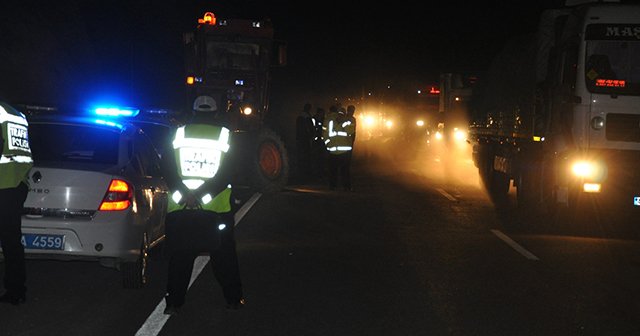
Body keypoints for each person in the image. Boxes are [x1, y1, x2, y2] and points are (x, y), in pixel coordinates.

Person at [161, 95, 244, 315]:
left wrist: (185, 196)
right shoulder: (225, 136)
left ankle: (173, 304)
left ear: (194, 112)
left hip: (181, 209)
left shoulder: (178, 134)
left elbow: (167, 169)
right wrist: (202, 196)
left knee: (180, 259)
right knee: (224, 256)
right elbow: (228, 173)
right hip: (215, 210)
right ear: (215, 113)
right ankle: (233, 300)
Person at [0, 101, 33, 305]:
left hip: (2, 183)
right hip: (16, 183)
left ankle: (15, 290)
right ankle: (16, 290)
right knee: (11, 241)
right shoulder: (15, 113)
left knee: (10, 240)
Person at [322, 104, 355, 191]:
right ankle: (346, 187)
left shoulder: (327, 120)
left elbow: (324, 135)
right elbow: (351, 131)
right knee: (345, 170)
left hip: (332, 150)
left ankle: (332, 186)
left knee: (333, 170)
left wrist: (328, 144)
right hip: (345, 149)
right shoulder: (347, 119)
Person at [295, 103, 315, 181]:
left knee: (301, 156)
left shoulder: (299, 117)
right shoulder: (307, 117)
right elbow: (310, 128)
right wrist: (311, 135)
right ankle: (306, 173)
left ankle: (301, 172)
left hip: (300, 139)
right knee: (307, 156)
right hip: (305, 139)